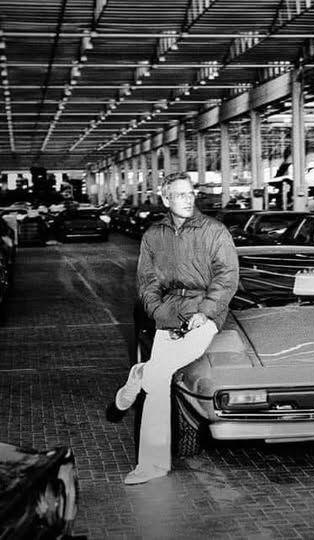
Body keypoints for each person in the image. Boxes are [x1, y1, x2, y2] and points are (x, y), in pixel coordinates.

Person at [112, 171, 239, 485]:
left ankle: (143, 373)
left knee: (158, 375)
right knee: (157, 386)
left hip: (204, 311)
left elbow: (227, 277)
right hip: (168, 311)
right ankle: (152, 464)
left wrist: (207, 312)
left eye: (190, 193)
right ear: (165, 199)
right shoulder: (154, 235)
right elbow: (147, 281)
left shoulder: (214, 231)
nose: (187, 199)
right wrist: (156, 309)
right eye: (179, 195)